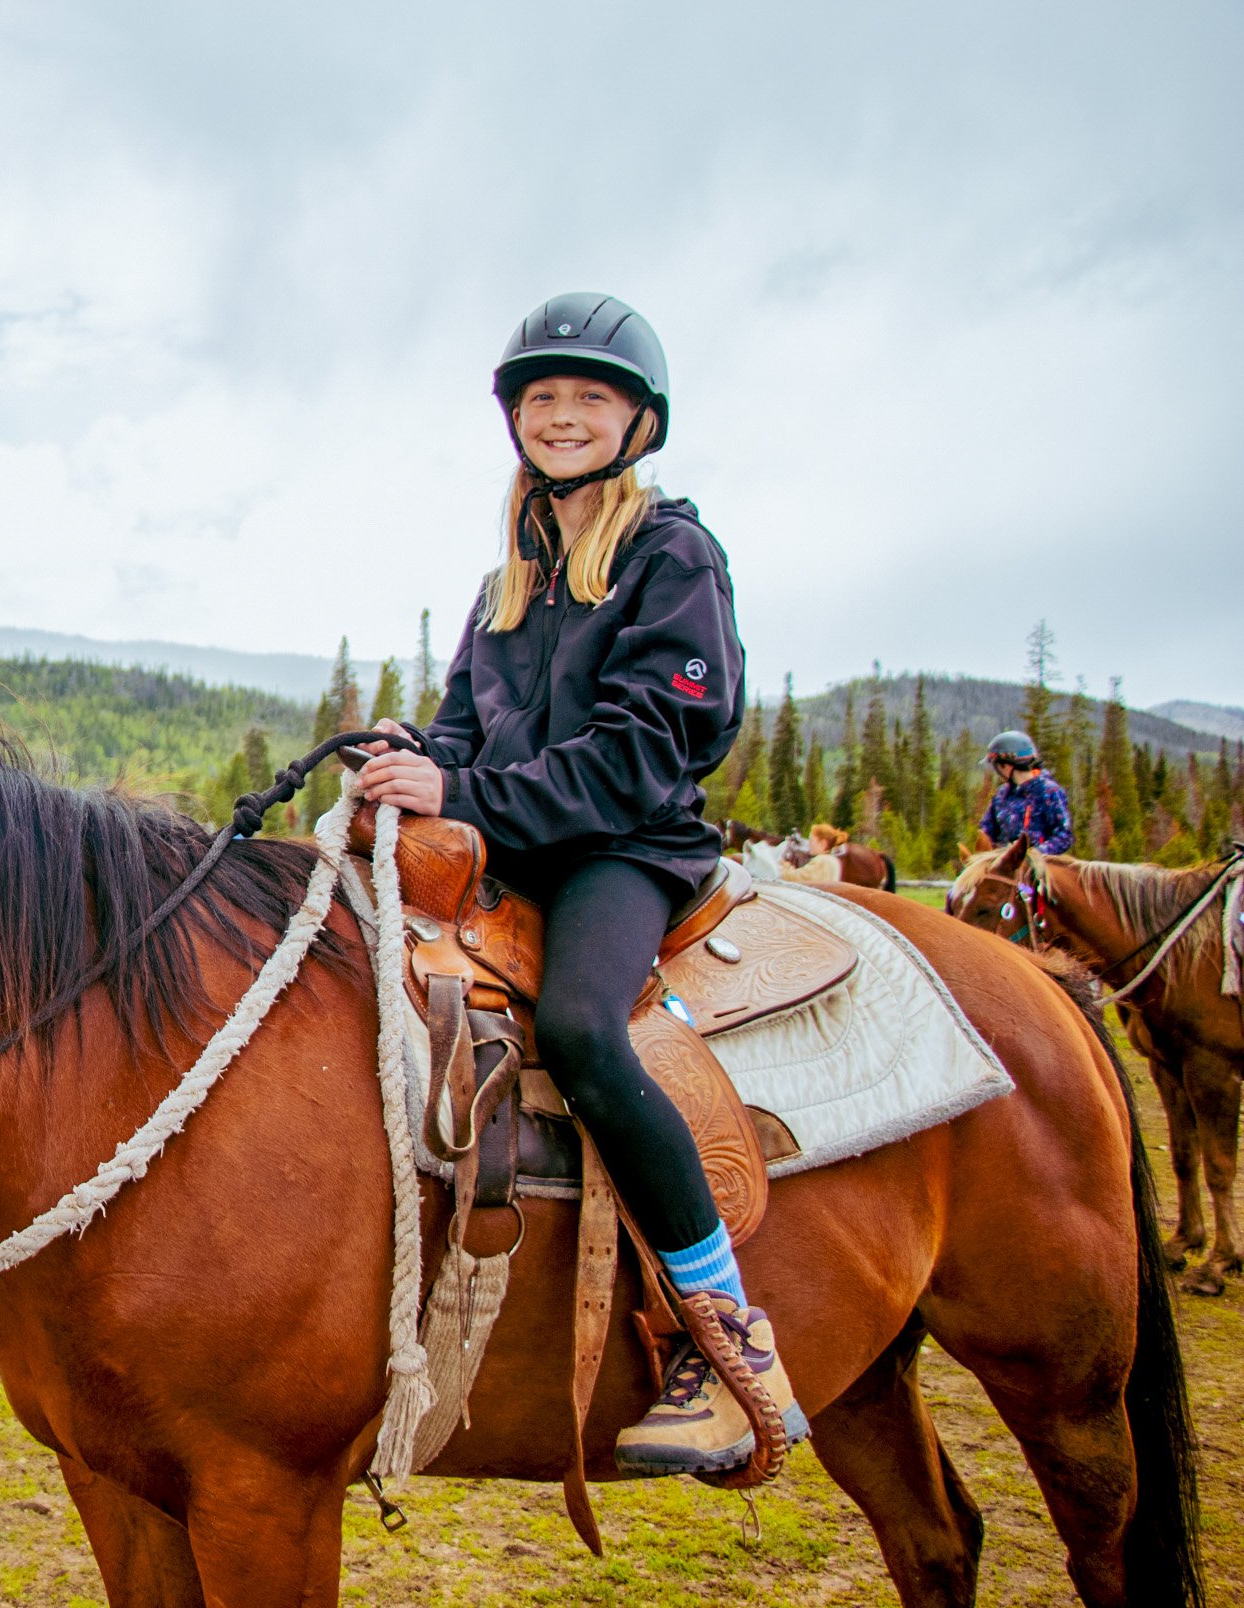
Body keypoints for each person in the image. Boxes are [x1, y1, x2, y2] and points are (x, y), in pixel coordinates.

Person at [357, 293, 805, 1477]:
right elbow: (464, 734)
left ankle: (726, 1344)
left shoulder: (672, 555)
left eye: (587, 398)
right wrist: (413, 764)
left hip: (622, 849)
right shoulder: (504, 583)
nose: (560, 416)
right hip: (511, 847)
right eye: (541, 398)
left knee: (580, 1028)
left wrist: (464, 798)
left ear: (637, 422)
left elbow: (643, 754)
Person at [976, 731, 1073, 855]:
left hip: (1040, 868)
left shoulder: (1049, 792)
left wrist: (1033, 855)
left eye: (997, 765)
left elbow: (1064, 836)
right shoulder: (1001, 795)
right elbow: (986, 831)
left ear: (1006, 766)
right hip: (1003, 865)